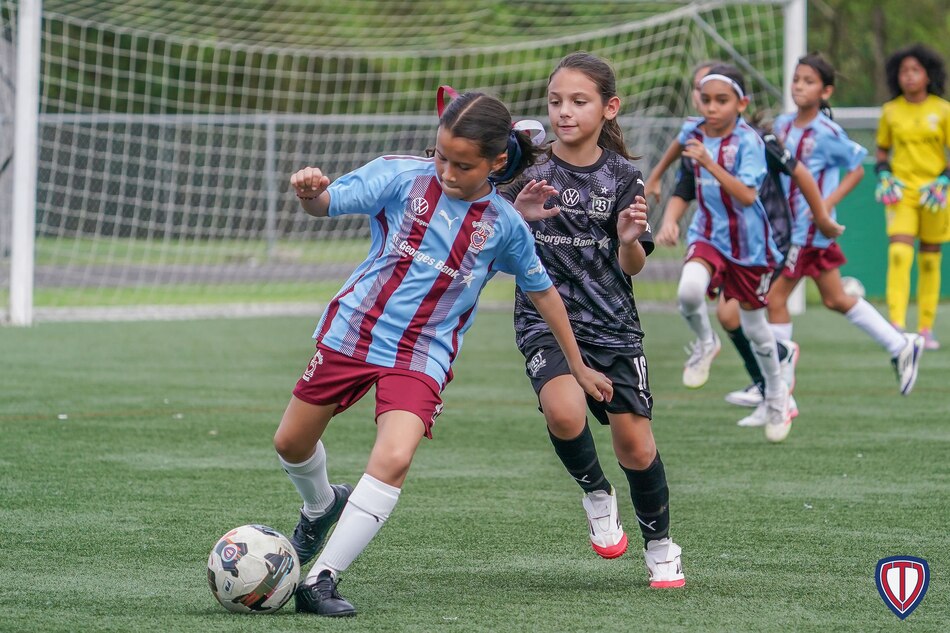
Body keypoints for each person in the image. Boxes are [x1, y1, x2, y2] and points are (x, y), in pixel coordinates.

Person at [274, 89, 614, 617]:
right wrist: (309, 192)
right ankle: (320, 505)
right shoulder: (398, 175)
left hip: (423, 353)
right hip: (354, 331)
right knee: (291, 444)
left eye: (463, 165)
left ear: (497, 163)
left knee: (394, 456)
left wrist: (579, 364)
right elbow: (326, 204)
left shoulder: (504, 225)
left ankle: (321, 579)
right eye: (441, 157)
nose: (448, 172)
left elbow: (544, 293)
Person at [502, 51, 685, 588]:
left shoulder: (623, 175)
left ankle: (660, 543)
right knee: (563, 412)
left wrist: (628, 241)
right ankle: (596, 493)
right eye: (556, 101)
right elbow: (492, 232)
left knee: (637, 447)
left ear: (609, 108)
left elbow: (633, 263)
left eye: (579, 102)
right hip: (545, 320)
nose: (564, 112)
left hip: (613, 326)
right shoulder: (527, 170)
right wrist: (517, 212)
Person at [763, 53, 925, 411]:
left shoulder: (827, 131)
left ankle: (775, 387)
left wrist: (823, 208)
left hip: (808, 230)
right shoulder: (784, 124)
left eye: (808, 81)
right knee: (836, 298)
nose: (799, 86)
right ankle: (900, 345)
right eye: (796, 79)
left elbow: (856, 167)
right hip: (792, 227)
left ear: (826, 91)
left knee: (774, 300)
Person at [654, 63, 791, 442]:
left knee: (755, 329)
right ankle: (705, 342)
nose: (711, 107)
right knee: (688, 292)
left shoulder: (749, 142)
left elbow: (747, 196)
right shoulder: (694, 131)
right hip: (708, 235)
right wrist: (656, 188)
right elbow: (679, 154)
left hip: (750, 248)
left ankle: (777, 395)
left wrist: (709, 162)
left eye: (721, 101)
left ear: (741, 103)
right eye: (705, 99)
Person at [875, 44, 950, 350]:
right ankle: (896, 326)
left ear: (928, 75)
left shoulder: (943, 110)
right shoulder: (890, 111)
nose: (909, 76)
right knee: (899, 254)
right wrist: (883, 173)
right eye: (904, 71)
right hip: (901, 193)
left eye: (915, 70)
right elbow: (882, 151)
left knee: (930, 261)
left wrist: (944, 178)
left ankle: (926, 328)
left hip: (934, 194)